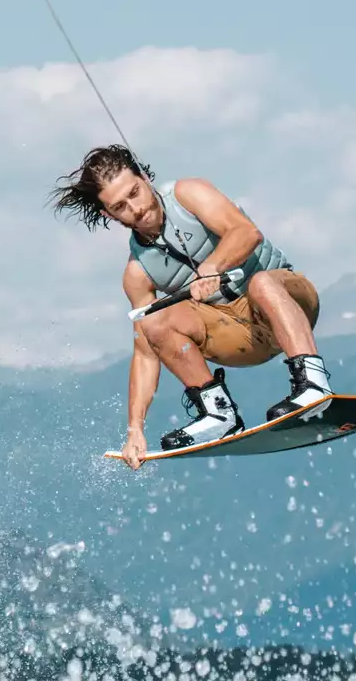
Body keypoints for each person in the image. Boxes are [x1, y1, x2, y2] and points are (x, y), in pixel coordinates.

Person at [49, 144, 333, 469]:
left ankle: (313, 385)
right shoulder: (138, 273)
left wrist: (212, 266)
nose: (136, 209)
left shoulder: (188, 194)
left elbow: (246, 232)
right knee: (152, 322)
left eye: (135, 192)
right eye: (121, 206)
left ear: (144, 176)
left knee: (261, 283)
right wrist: (135, 431)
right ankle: (218, 414)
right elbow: (145, 352)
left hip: (289, 304)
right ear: (108, 215)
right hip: (240, 336)